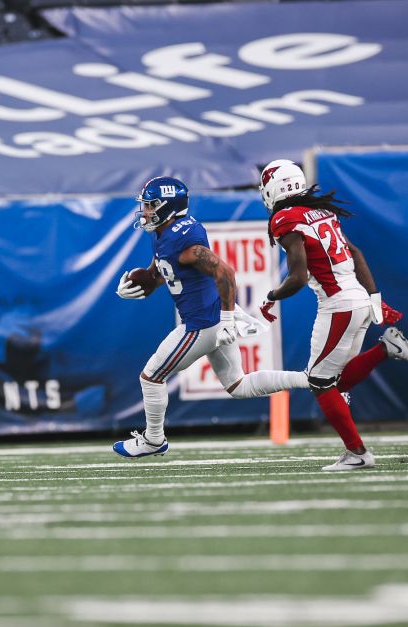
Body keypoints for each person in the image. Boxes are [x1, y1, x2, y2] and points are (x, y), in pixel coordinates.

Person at [113, 176, 315, 458]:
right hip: (211, 321)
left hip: (202, 325)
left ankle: (154, 439)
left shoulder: (183, 241)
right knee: (238, 385)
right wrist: (142, 283)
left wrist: (228, 318)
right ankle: (312, 379)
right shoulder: (166, 232)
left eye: (151, 205)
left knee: (151, 377)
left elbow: (225, 272)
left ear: (169, 206)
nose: (145, 211)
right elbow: (164, 270)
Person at [256, 159, 408, 472]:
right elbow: (357, 254)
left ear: (273, 188)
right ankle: (385, 350)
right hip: (357, 300)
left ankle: (358, 453)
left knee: (319, 382)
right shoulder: (321, 212)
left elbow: (297, 277)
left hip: (338, 305)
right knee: (334, 381)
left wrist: (270, 297)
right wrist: (374, 299)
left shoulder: (284, 218)